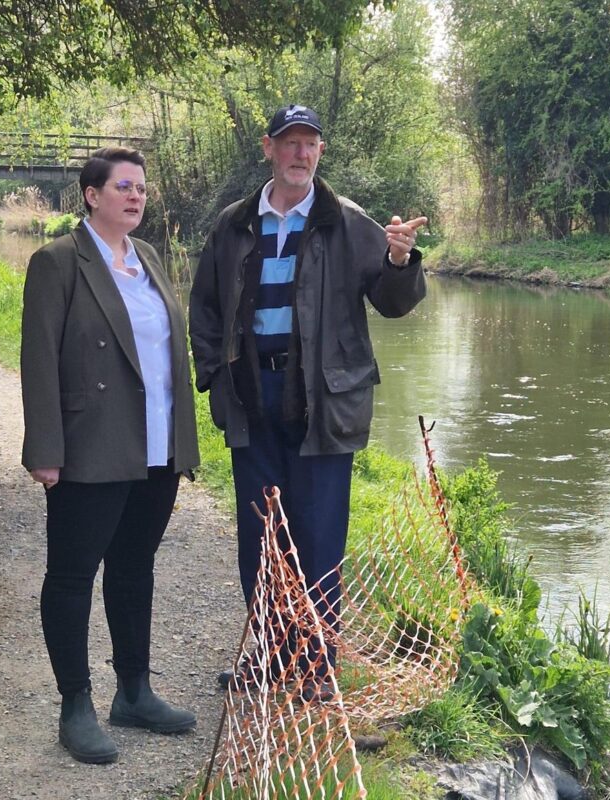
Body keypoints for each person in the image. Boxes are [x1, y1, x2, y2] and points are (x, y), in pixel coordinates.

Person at [189, 104, 427, 698]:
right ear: (268, 148)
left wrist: (399, 260)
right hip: (252, 396)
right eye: (290, 143)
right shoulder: (235, 223)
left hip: (322, 401)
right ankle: (270, 658)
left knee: (318, 535)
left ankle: (316, 667)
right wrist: (214, 376)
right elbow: (206, 309)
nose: (301, 153)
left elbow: (395, 303)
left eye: (310, 144)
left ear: (320, 152)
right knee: (263, 537)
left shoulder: (346, 222)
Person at [21, 146, 200, 764]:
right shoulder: (58, 263)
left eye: (142, 189)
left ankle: (135, 691)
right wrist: (45, 449)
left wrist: (183, 441)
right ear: (91, 194)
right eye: (123, 187)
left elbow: (167, 355)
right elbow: (39, 358)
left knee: (133, 567)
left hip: (156, 447)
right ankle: (76, 705)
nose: (136, 197)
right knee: (72, 576)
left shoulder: (149, 258)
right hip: (90, 445)